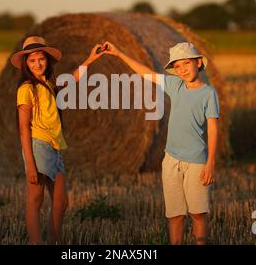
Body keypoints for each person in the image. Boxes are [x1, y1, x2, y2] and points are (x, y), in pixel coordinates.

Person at [102, 41, 219, 245]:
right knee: (175, 215)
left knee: (198, 213)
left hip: (197, 162)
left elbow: (213, 128)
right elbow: (146, 73)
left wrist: (210, 163)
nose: (182, 69)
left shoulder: (208, 94)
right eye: (177, 66)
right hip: (171, 160)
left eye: (186, 64)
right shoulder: (175, 85)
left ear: (198, 63)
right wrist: (119, 53)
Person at [11, 36, 105, 244]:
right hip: (38, 146)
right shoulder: (26, 89)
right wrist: (30, 166)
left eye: (41, 59)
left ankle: (54, 240)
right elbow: (23, 129)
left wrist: (90, 60)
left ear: (48, 61)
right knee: (35, 199)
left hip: (55, 146)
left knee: (61, 202)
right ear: (26, 63)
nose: (38, 64)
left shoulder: (50, 83)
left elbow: (74, 79)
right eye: (32, 60)